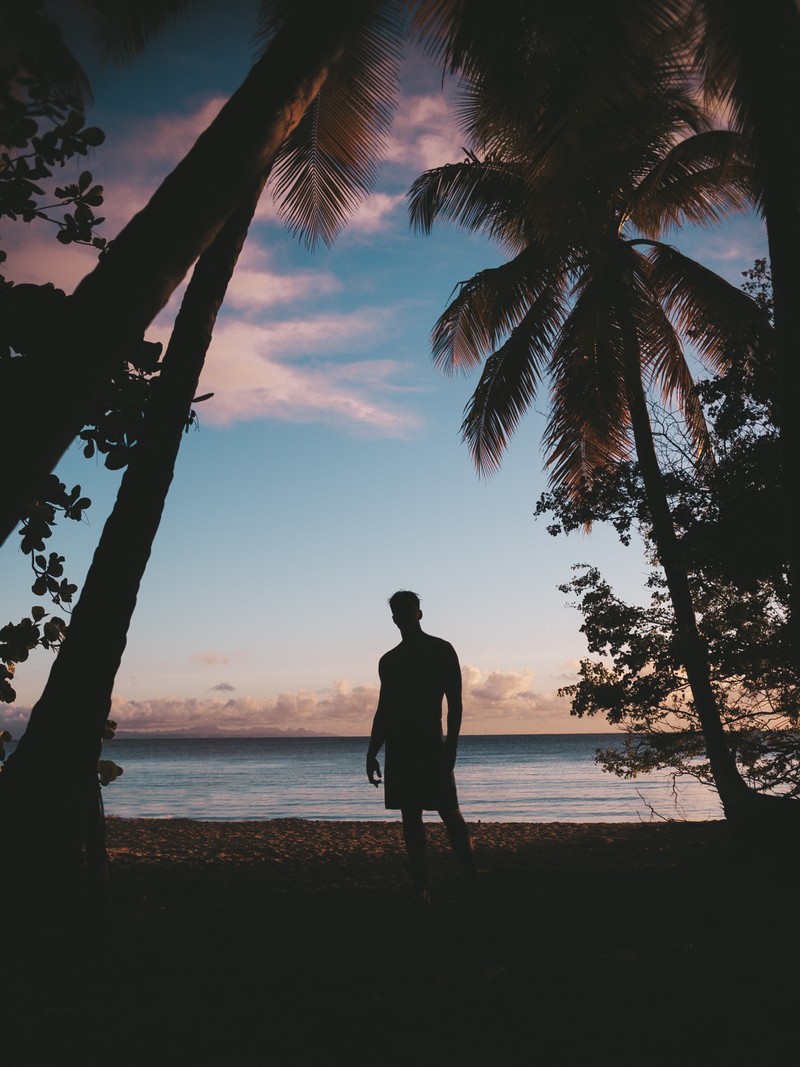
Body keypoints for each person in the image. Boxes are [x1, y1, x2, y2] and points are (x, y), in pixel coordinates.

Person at [366, 590, 476, 902]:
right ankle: (421, 887)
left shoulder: (441, 650)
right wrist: (372, 751)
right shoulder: (390, 661)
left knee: (450, 813)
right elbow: (384, 710)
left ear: (419, 614)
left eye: (409, 610)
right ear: (394, 618)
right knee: (411, 817)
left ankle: (472, 883)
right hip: (400, 747)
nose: (404, 616)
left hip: (431, 743)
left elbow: (455, 704)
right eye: (399, 612)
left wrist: (451, 746)